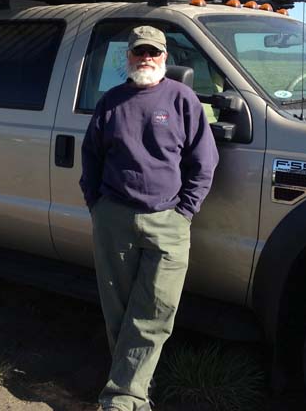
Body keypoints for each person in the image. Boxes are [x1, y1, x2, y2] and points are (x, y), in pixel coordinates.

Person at [80, 25, 219, 411]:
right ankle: (134, 391)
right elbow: (90, 156)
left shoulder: (183, 99)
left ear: (165, 58)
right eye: (139, 52)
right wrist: (97, 205)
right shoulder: (111, 102)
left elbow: (204, 161)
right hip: (114, 218)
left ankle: (122, 397)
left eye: (154, 53)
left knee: (156, 311)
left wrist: (185, 211)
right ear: (127, 57)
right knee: (120, 312)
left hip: (167, 221)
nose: (146, 58)